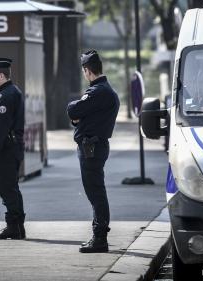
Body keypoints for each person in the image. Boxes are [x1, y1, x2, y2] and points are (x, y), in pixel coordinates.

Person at [67, 50, 120, 253]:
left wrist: (78, 114)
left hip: (92, 147)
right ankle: (99, 235)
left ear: (87, 71)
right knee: (95, 191)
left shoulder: (98, 92)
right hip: (94, 145)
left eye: (84, 71)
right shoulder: (104, 91)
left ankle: (99, 238)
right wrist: (80, 118)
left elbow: (73, 110)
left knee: (95, 192)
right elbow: (78, 118)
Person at [0, 57, 26, 240]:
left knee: (6, 188)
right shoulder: (11, 92)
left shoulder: (6, 96)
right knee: (12, 187)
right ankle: (17, 227)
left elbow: (1, 128)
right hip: (13, 146)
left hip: (7, 148)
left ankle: (13, 227)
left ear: (2, 75)